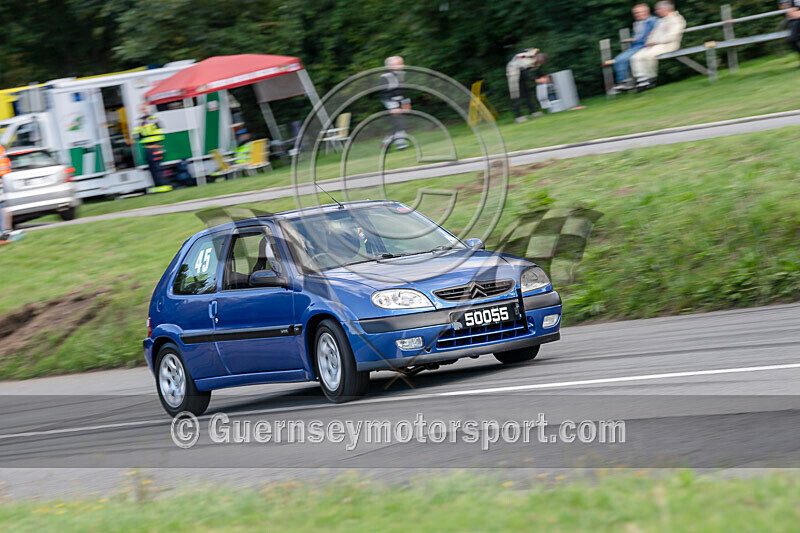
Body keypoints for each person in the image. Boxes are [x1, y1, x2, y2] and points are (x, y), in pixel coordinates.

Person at [630, 1, 686, 91]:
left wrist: (655, 42)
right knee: (635, 57)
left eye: (658, 9)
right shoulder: (662, 20)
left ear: (665, 9)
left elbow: (671, 37)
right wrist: (650, 42)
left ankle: (650, 78)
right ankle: (642, 79)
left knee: (647, 56)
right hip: (656, 45)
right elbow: (652, 34)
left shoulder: (676, 19)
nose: (656, 12)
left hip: (668, 45)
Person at [613, 4, 659, 90]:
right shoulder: (638, 23)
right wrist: (630, 39)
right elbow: (638, 37)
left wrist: (652, 38)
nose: (636, 15)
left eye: (638, 13)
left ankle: (626, 82)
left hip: (644, 46)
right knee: (618, 59)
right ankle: (625, 81)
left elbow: (659, 32)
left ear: (646, 12)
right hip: (636, 46)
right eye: (634, 13)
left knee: (621, 59)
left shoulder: (654, 21)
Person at [134, 105, 171, 192]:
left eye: (144, 108)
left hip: (154, 147)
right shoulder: (142, 121)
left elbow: (158, 132)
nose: (143, 110)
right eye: (142, 109)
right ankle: (158, 186)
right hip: (150, 148)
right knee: (153, 168)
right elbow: (136, 134)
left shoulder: (150, 120)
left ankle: (162, 186)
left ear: (149, 109)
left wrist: (145, 134)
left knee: (157, 168)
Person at [506, 48, 549, 123]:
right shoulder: (527, 60)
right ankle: (518, 117)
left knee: (527, 93)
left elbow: (537, 69)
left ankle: (534, 112)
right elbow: (524, 74)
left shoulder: (535, 57)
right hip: (512, 71)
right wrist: (536, 80)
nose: (539, 64)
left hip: (521, 69)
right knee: (515, 94)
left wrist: (544, 76)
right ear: (538, 59)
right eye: (540, 62)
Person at [380, 56, 411, 150]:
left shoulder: (400, 75)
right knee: (399, 123)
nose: (403, 65)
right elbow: (385, 93)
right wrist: (393, 107)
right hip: (391, 102)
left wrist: (406, 102)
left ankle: (386, 142)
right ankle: (401, 145)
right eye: (400, 63)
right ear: (392, 66)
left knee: (401, 123)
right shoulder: (385, 77)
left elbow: (402, 90)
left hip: (400, 101)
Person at [0, 144, 11, 241]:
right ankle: (5, 231)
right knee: (2, 205)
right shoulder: (0, 147)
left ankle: (3, 232)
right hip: (2, 178)